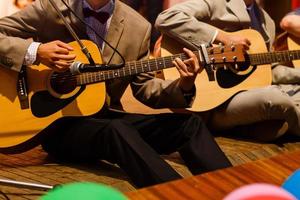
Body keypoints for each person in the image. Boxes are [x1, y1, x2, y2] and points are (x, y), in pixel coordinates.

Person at [0, 0, 232, 188]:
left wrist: (184, 83)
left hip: (103, 115)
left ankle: (234, 190)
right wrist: (35, 51)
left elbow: (145, 90)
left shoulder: (138, 26)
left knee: (189, 124)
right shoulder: (51, 7)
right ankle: (174, 194)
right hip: (55, 126)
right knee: (117, 130)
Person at [155, 0, 300, 141]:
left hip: (245, 95)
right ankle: (252, 125)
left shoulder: (267, 22)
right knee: (276, 98)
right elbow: (166, 18)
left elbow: (270, 70)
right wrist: (222, 37)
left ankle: (249, 125)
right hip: (210, 103)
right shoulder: (218, 3)